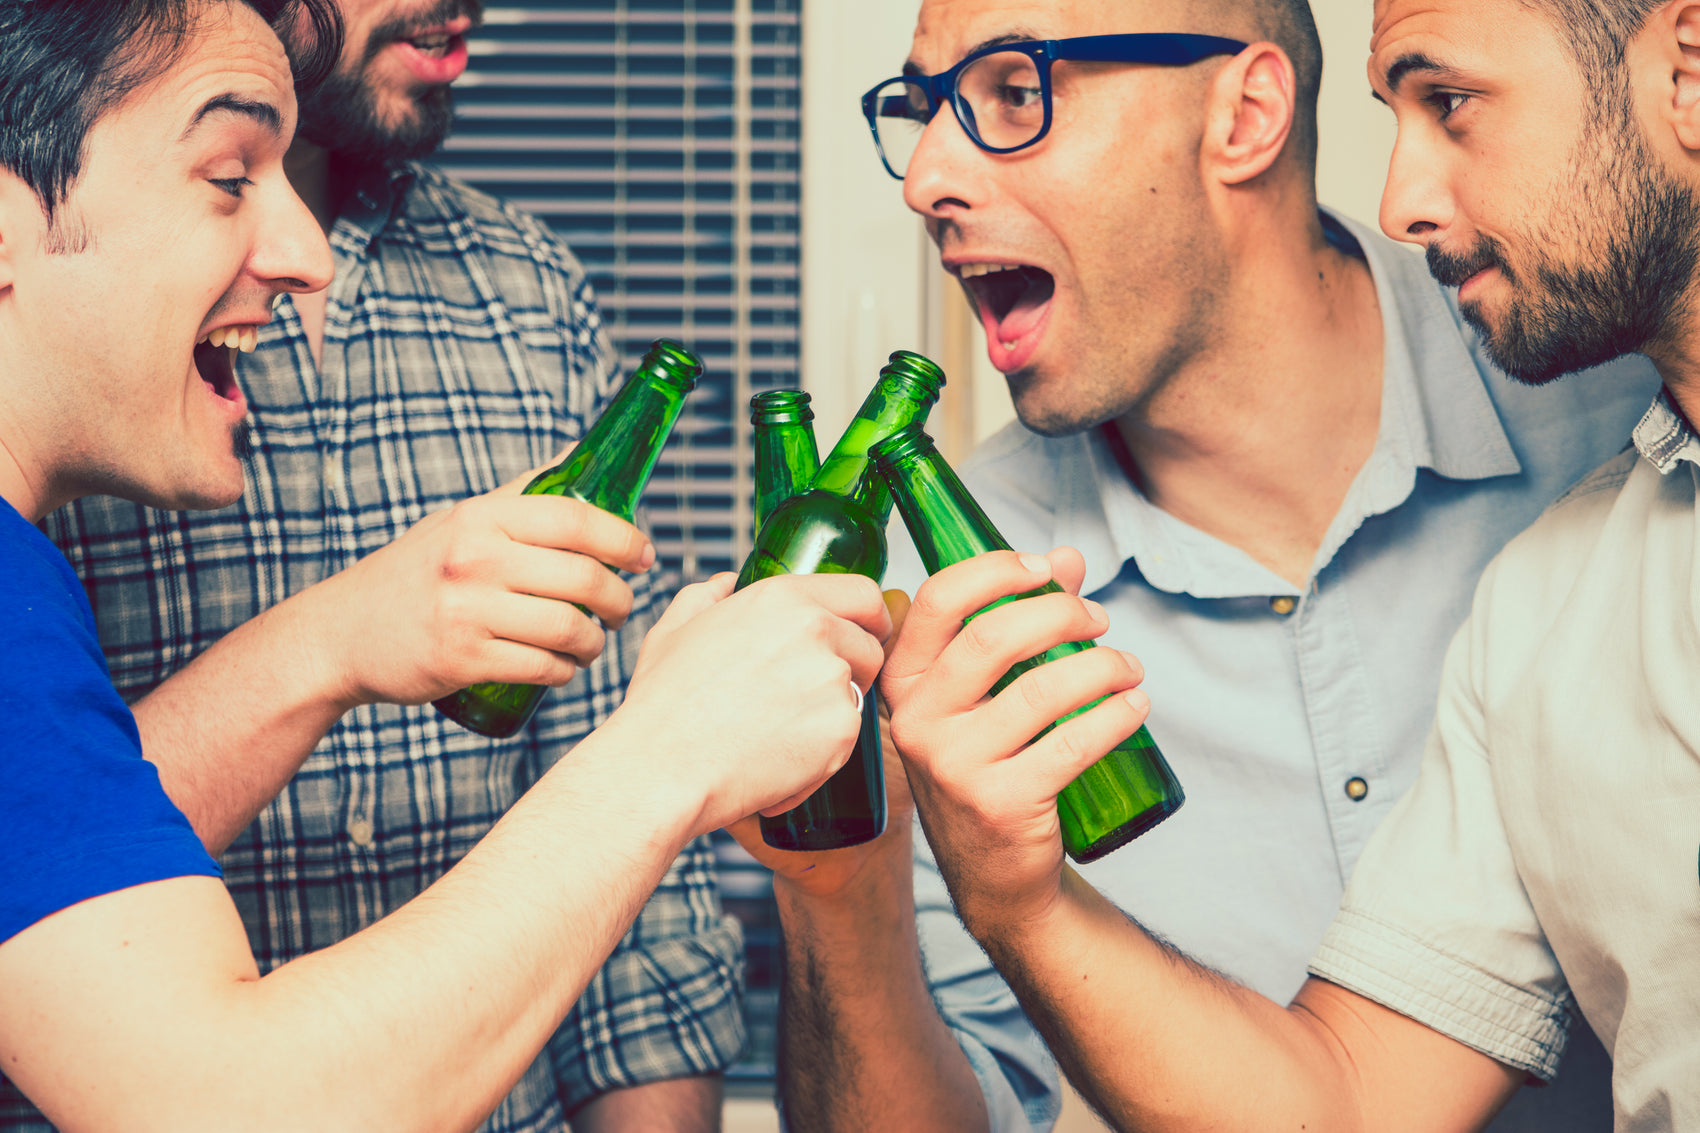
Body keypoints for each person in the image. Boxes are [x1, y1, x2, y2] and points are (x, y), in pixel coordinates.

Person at [730, 0, 1668, 1130]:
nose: (923, 176)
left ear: (1245, 114)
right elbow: (1351, 1098)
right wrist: (841, 878)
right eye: (919, 110)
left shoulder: (1610, 396)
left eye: (1012, 94)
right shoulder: (955, 606)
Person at [0, 2, 890, 1130]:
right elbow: (225, 1099)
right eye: (227, 175)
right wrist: (673, 745)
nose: (300, 258)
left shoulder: (525, 285)